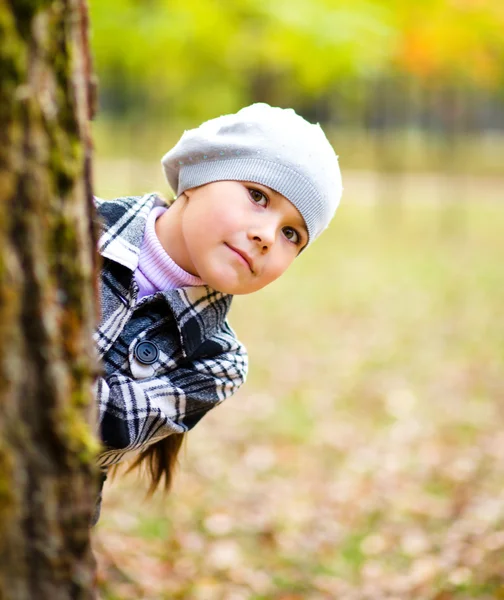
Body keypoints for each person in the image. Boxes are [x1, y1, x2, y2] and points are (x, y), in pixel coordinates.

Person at [92, 103, 343, 524]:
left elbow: (104, 430)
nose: (266, 236)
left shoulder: (218, 361)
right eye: (258, 196)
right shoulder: (68, 222)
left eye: (290, 234)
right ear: (197, 175)